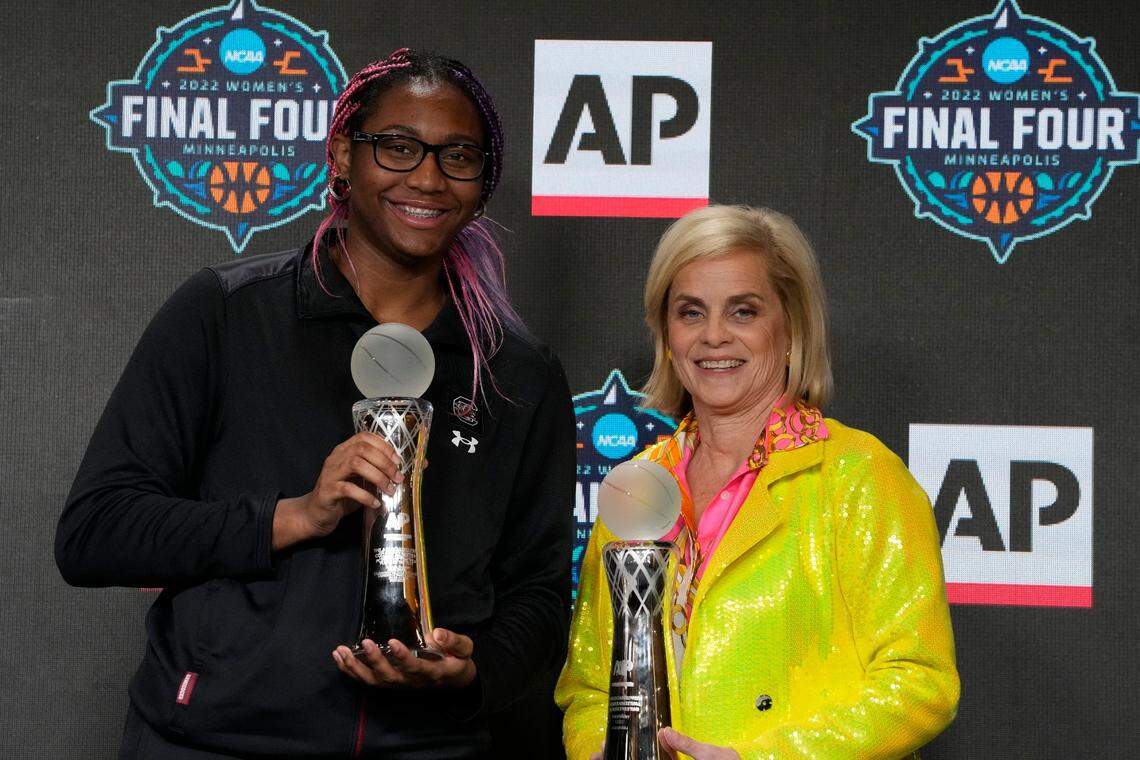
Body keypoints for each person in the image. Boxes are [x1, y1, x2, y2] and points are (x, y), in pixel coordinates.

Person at [57, 48, 575, 759]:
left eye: (459, 156)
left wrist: (475, 668)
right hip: (218, 742)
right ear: (341, 154)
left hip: (426, 745)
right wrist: (295, 516)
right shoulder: (228, 315)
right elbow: (96, 531)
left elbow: (540, 596)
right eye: (397, 147)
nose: (427, 176)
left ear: (482, 182)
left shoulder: (519, 372)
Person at [556, 205, 959, 759]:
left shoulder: (859, 475)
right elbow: (590, 686)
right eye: (690, 313)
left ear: (791, 327)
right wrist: (598, 749)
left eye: (743, 312)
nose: (714, 336)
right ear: (666, 334)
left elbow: (921, 681)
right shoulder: (638, 485)